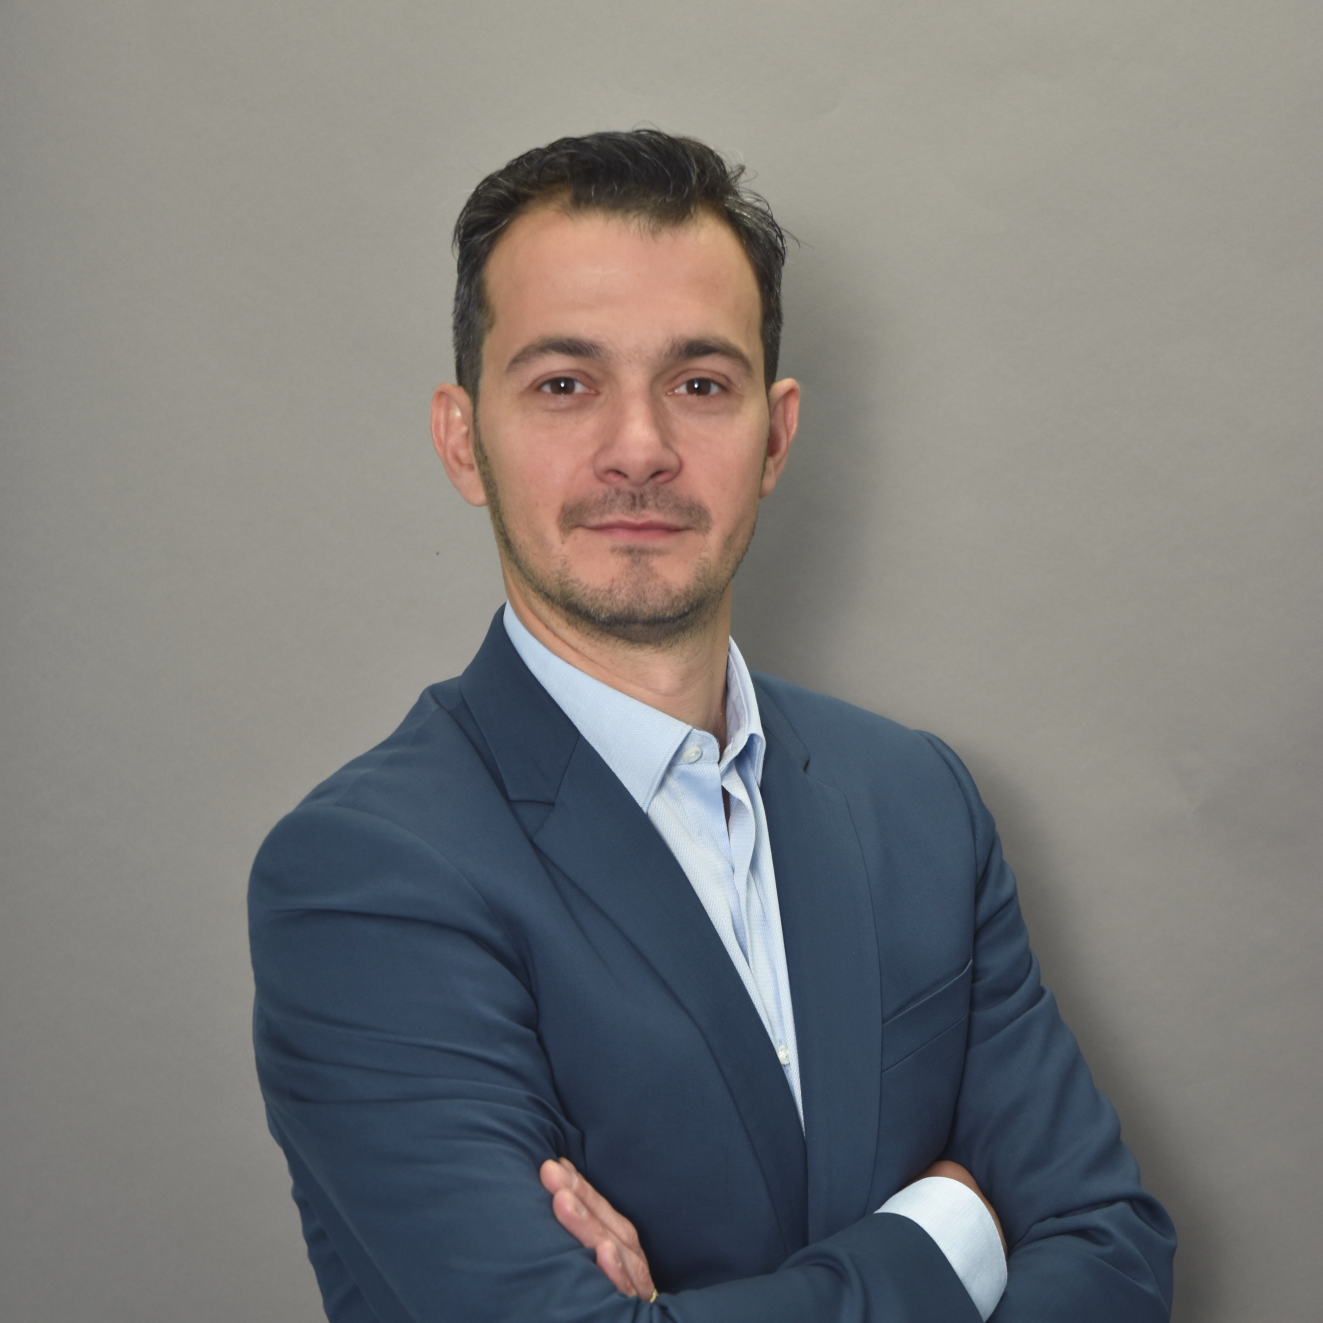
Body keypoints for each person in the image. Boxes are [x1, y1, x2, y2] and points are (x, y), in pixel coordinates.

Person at [249, 130, 1176, 1323]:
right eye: (565, 384)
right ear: (462, 439)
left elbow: (1111, 1250)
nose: (639, 448)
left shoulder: (917, 801)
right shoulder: (366, 877)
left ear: (775, 436)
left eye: (699, 384)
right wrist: (951, 1232)